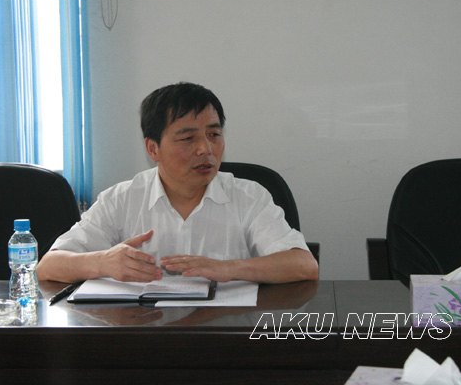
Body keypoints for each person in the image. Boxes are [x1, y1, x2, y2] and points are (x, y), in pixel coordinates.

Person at [37, 82, 318, 284]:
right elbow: (48, 266)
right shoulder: (121, 199)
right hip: (144, 334)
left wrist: (227, 268)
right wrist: (103, 262)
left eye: (214, 135)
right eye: (188, 138)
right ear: (153, 148)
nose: (205, 149)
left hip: (228, 335)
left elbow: (303, 265)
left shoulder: (249, 196)